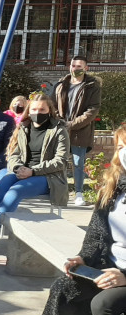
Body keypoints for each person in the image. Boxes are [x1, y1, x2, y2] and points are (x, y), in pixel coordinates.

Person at [40, 124, 126, 315]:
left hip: (122, 277)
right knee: (64, 290)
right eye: (122, 146)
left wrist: (125, 276)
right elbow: (97, 234)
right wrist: (83, 259)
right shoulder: (115, 185)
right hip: (107, 268)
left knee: (104, 305)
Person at [0, 93, 70, 250]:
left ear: (49, 110)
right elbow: (13, 155)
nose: (38, 113)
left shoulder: (58, 130)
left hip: (48, 177)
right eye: (34, 109)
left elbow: (61, 161)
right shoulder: (24, 128)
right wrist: (17, 168)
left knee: (16, 191)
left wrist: (32, 171)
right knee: (3, 184)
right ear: (29, 110)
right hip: (22, 172)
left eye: (42, 109)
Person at [52, 55, 101, 206]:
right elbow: (52, 104)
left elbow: (93, 110)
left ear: (86, 68)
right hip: (61, 129)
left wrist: (72, 124)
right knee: (59, 161)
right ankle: (61, 191)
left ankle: (79, 193)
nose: (76, 69)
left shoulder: (92, 85)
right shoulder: (61, 84)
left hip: (81, 130)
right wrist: (59, 121)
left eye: (79, 66)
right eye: (73, 66)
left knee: (78, 162)